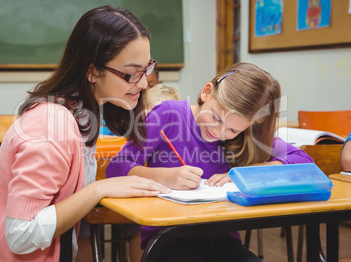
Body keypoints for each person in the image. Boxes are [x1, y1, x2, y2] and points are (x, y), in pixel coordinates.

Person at [0, 5, 171, 262]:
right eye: (131, 73)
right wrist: (99, 189)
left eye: (147, 68)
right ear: (91, 71)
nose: (145, 82)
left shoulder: (81, 115)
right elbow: (21, 235)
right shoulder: (50, 125)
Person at [105, 62, 314, 262]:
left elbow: (302, 160)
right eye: (215, 117)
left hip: (222, 239)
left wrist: (246, 173)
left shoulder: (247, 138)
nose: (218, 132)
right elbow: (116, 168)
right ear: (206, 92)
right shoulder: (168, 116)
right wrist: (165, 177)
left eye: (233, 130)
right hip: (168, 238)